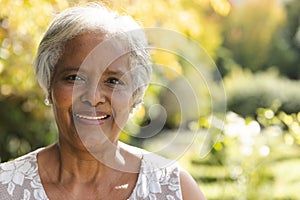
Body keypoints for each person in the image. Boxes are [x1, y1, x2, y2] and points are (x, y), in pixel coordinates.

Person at [0, 3, 206, 200]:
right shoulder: (6, 188)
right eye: (74, 77)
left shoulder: (175, 190)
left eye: (113, 81)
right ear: (49, 85)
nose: (92, 97)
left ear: (134, 95)